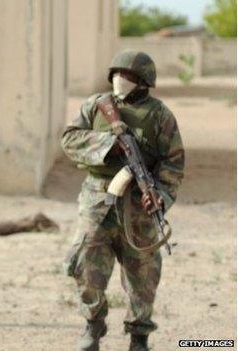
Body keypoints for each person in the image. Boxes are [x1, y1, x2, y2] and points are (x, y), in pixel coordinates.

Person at [61, 51, 184, 351]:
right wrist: (109, 143)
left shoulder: (160, 116)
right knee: (85, 264)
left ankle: (139, 336)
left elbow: (173, 162)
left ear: (143, 82)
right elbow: (69, 139)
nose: (120, 80)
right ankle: (93, 323)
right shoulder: (96, 106)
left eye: (127, 76)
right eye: (117, 73)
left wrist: (161, 196)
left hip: (139, 207)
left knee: (143, 274)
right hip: (98, 201)